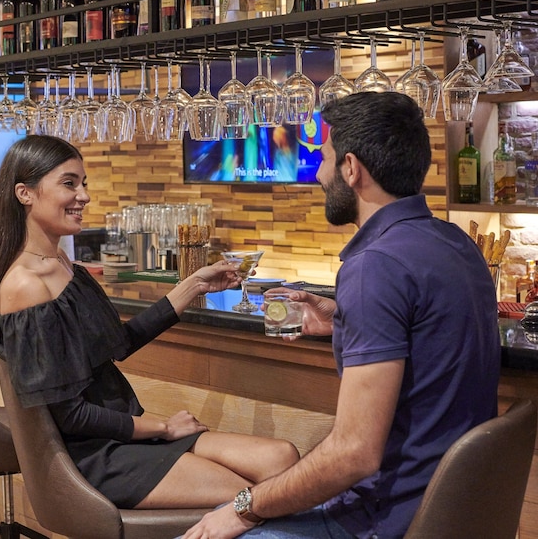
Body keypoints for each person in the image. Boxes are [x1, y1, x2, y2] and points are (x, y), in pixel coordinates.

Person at [184, 92, 501, 539]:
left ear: (351, 168)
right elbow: (431, 339)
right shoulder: (455, 242)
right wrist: (343, 318)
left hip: (383, 518)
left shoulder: (376, 266)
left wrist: (244, 507)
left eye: (325, 157)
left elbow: (354, 454)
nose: (318, 173)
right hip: (454, 511)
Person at [0, 135, 299, 511]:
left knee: (282, 458)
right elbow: (70, 416)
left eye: (83, 183)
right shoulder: (24, 285)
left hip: (118, 434)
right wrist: (163, 428)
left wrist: (194, 284)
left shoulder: (63, 265)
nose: (84, 195)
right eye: (69, 183)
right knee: (254, 496)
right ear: (25, 193)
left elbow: (119, 342)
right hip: (91, 456)